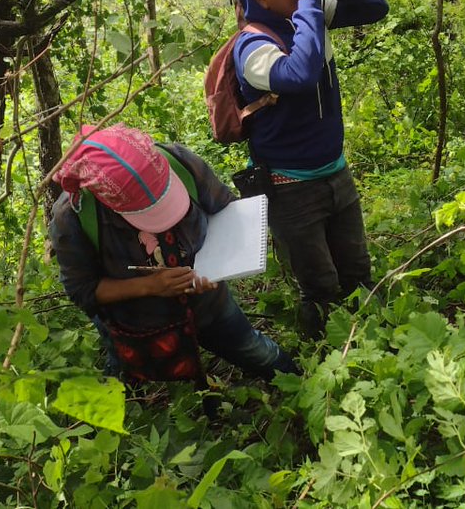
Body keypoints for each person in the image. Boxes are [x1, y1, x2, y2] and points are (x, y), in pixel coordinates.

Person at [217, 0, 389, 339]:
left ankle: (380, 344)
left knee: (357, 272)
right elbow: (300, 72)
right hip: (291, 189)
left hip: (335, 174)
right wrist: (310, 1)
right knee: (321, 288)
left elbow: (376, 8)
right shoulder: (252, 47)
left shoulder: (306, 12)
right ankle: (327, 361)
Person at [48, 124, 299, 385]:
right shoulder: (73, 217)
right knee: (127, 379)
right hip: (141, 325)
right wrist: (150, 286)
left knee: (256, 351)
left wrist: (218, 265)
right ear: (107, 202)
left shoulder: (178, 162)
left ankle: (299, 386)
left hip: (210, 305)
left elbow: (224, 208)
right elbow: (82, 290)